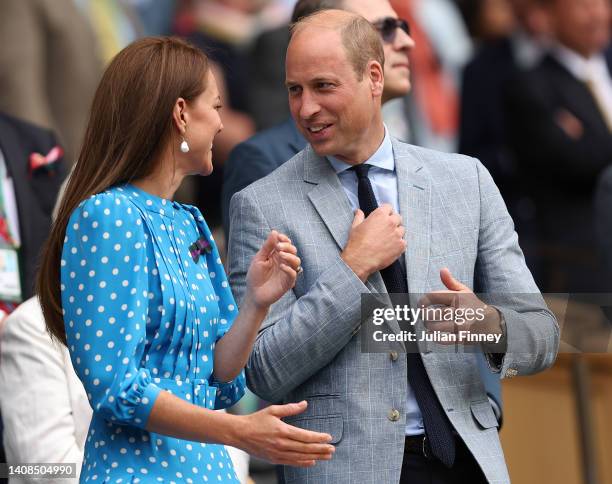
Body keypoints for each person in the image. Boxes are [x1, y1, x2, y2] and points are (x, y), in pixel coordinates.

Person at [228, 10, 559, 483]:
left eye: (323, 86)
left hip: (465, 459)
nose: (305, 108)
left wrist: (488, 324)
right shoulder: (261, 204)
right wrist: (352, 269)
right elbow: (262, 371)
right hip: (346, 469)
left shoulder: (467, 180)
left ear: (374, 78)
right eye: (294, 90)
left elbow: (543, 334)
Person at [36, 36, 335, 483]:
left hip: (208, 469)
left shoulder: (189, 222)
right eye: (214, 106)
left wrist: (256, 302)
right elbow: (114, 384)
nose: (220, 123)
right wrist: (239, 432)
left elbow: (217, 377)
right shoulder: (107, 215)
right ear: (180, 114)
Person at [504, 0, 612, 292]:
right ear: (548, 14)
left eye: (602, 3)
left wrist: (591, 140)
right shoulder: (531, 85)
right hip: (582, 265)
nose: (596, 14)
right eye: (583, 5)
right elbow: (574, 161)